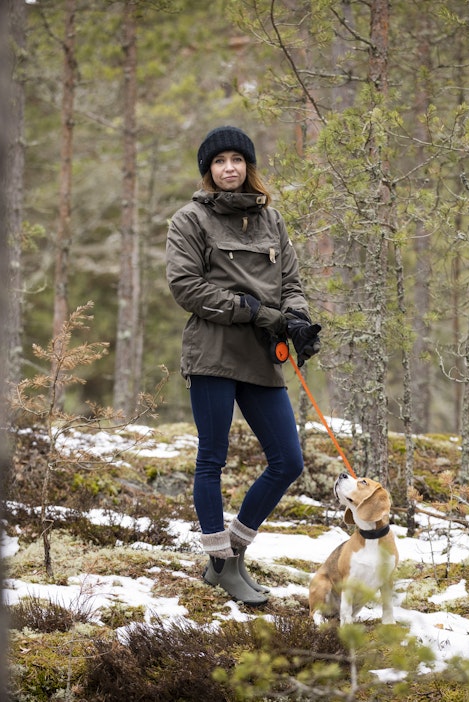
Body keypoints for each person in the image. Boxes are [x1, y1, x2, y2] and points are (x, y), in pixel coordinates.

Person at [165, 126, 323, 605]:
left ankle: (233, 552)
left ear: (248, 167)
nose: (229, 168)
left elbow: (290, 280)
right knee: (212, 457)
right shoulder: (189, 219)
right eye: (219, 162)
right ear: (208, 171)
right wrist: (253, 310)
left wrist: (296, 319)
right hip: (212, 352)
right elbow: (185, 287)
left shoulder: (271, 220)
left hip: (261, 356)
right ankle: (218, 564)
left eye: (237, 159)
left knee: (288, 461)